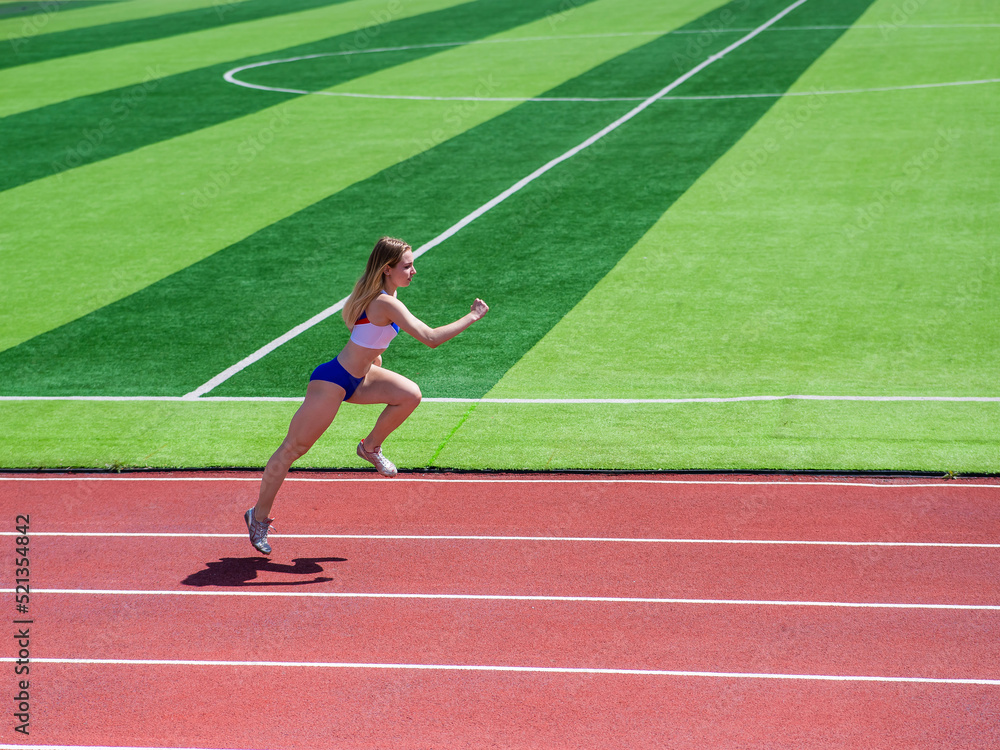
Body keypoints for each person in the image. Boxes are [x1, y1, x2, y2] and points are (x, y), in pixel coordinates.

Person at [244, 237, 489, 554]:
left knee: (410, 394)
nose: (414, 270)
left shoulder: (387, 295)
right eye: (407, 265)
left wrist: (373, 359)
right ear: (387, 269)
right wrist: (473, 316)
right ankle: (257, 517)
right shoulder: (387, 302)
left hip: (360, 378)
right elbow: (430, 338)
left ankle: (370, 447)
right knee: (293, 449)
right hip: (332, 381)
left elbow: (365, 333)